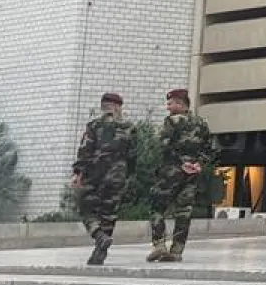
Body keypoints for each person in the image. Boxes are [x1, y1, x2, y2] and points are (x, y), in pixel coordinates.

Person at [147, 88, 214, 262]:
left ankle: (159, 245)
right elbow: (208, 149)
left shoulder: (171, 121)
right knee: (184, 212)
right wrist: (198, 164)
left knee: (157, 207)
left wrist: (181, 164)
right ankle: (177, 250)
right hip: (192, 174)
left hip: (171, 172)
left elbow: (163, 146)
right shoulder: (201, 123)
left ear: (179, 103)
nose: (168, 107)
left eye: (170, 103)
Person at [71, 92, 136, 266]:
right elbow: (133, 155)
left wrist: (78, 172)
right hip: (118, 175)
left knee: (85, 205)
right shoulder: (129, 127)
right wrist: (128, 176)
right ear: (118, 107)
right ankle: (101, 251)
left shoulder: (95, 125)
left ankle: (98, 235)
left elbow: (85, 150)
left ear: (103, 106)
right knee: (109, 213)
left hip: (95, 173)